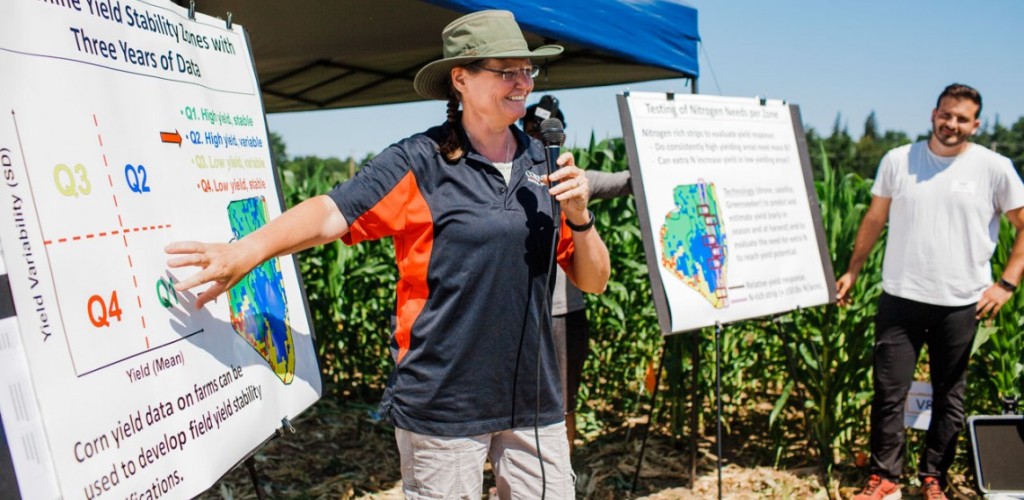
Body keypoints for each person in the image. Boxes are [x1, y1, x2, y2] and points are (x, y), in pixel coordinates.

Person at [166, 10, 610, 500]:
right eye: (507, 71)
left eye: (528, 71)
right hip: (443, 404)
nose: (523, 82)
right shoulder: (419, 161)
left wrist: (580, 214)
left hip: (534, 401)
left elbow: (593, 281)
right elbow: (330, 212)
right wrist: (246, 251)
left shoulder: (544, 164)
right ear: (460, 78)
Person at [837, 83, 1024, 500]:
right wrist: (852, 270)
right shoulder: (898, 160)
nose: (951, 124)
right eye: (946, 114)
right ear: (933, 114)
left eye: (961, 119)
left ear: (975, 125)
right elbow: (874, 219)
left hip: (962, 304)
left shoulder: (994, 168)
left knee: (949, 396)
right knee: (889, 391)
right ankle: (885, 476)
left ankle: (932, 477)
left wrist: (1007, 284)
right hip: (900, 297)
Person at [520, 98, 631, 451]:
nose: (541, 139)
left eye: (551, 132)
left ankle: (561, 472)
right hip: (518, 310)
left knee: (562, 403)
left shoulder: (575, 178)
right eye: (534, 130)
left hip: (563, 313)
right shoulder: (507, 176)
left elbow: (625, 182)